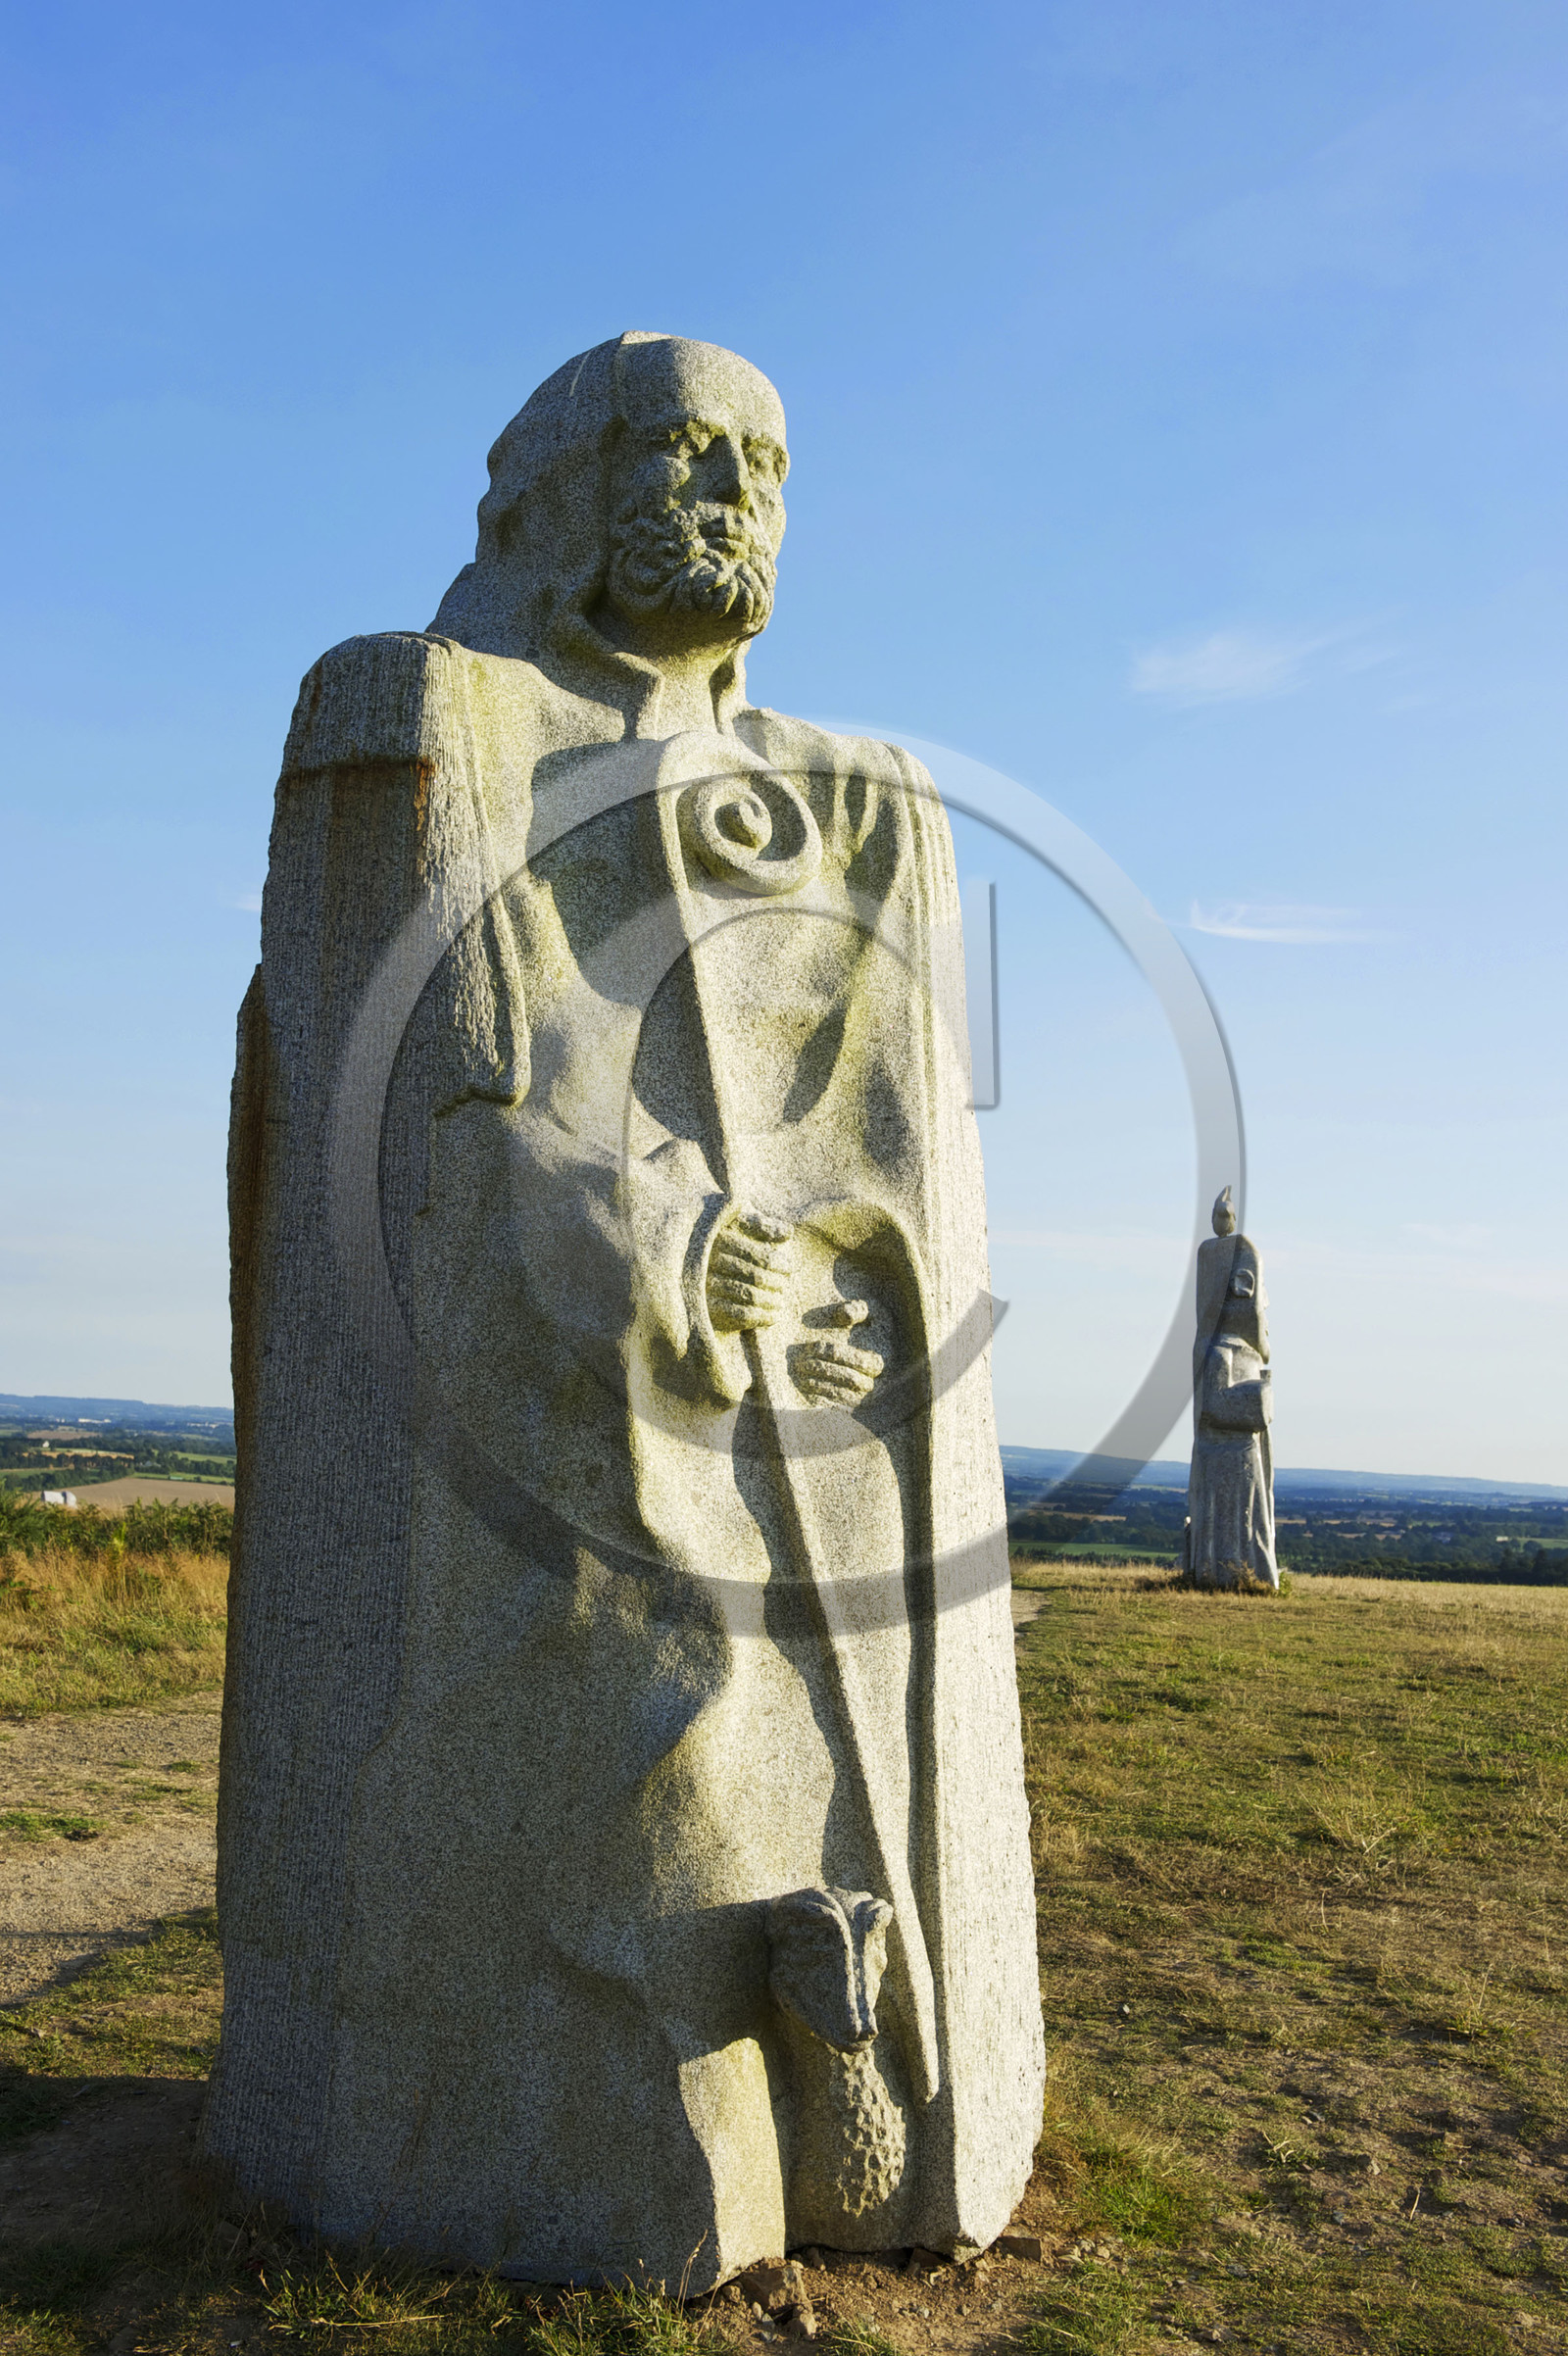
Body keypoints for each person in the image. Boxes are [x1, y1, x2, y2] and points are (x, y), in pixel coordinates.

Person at [206, 335, 1044, 2282]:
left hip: (808, 1406)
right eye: (681, 450)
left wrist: (842, 1293)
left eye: (762, 461)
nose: (733, 493)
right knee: (640, 1686)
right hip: (547, 1404)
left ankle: (862, 2073)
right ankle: (594, 2117)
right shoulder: (429, 709)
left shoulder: (860, 795)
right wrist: (664, 1250)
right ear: (563, 499)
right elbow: (421, 1090)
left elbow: (910, 1149)